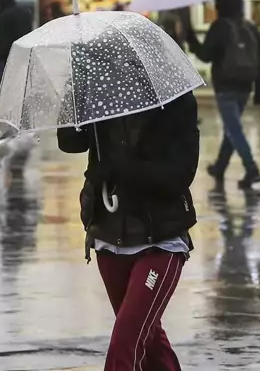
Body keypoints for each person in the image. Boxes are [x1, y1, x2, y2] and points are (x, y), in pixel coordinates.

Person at [57, 89, 199, 371]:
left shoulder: (174, 98)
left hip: (160, 239)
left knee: (126, 341)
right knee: (150, 343)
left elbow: (181, 174)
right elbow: (70, 142)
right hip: (109, 237)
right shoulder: (100, 91)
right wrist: (73, 94)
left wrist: (122, 169)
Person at [182, 0, 260, 189]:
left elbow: (205, 56)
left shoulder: (220, 27)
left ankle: (251, 169)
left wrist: (191, 38)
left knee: (234, 129)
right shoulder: (250, 27)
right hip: (245, 87)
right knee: (232, 127)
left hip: (226, 86)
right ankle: (220, 167)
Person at [0, 0, 33, 79]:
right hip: (27, 56)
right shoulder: (25, 13)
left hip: (11, 58)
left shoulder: (4, 16)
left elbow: (3, 41)